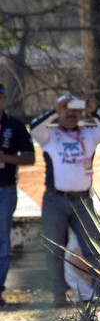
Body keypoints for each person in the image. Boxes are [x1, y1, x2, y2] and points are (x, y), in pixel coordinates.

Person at [29, 94, 100, 306]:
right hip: (55, 200)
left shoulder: (88, 134)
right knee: (55, 248)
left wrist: (94, 110)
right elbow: (34, 127)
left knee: (93, 248)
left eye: (74, 109)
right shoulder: (50, 135)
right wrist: (55, 110)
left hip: (83, 201)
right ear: (59, 111)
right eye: (65, 109)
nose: (70, 113)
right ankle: (58, 295)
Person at [0, 84, 35, 306]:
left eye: (0, 97)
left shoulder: (14, 125)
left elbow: (30, 158)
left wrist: (6, 159)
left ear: (4, 100)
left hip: (5, 189)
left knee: (2, 239)